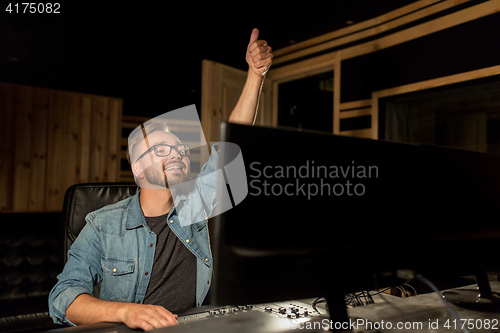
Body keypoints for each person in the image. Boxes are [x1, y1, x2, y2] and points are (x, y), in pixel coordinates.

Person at [49, 28, 273, 331]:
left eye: (180, 149)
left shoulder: (195, 203)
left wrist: (255, 76)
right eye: (162, 149)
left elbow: (230, 148)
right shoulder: (102, 224)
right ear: (137, 168)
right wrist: (126, 312)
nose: (178, 154)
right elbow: (63, 298)